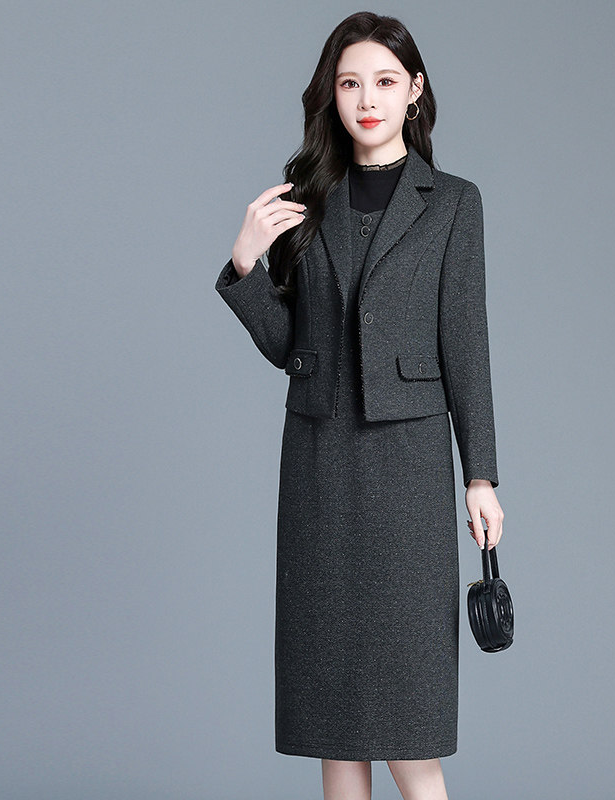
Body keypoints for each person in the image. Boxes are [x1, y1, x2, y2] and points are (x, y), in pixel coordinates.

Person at [214, 11, 505, 800]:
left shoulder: (454, 203)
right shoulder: (307, 198)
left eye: (383, 81)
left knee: (408, 723)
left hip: (408, 470)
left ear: (415, 90)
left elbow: (466, 344)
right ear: (331, 95)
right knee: (335, 724)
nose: (367, 99)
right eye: (350, 83)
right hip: (320, 468)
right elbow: (290, 347)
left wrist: (480, 476)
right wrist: (245, 264)